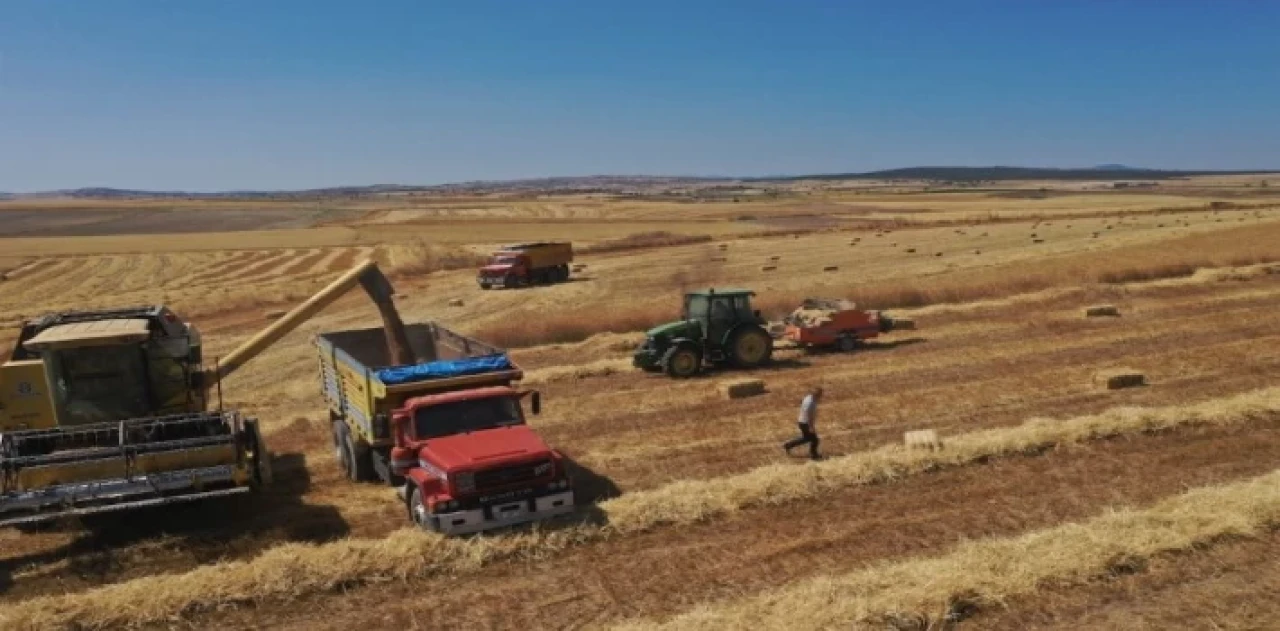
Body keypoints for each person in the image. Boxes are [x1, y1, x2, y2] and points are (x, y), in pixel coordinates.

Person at [784, 386, 823, 460]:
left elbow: (802, 403)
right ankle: (814, 455)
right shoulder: (810, 403)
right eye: (820, 394)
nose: (821, 396)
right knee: (815, 440)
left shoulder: (808, 397)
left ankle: (788, 445)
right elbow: (809, 416)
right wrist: (811, 427)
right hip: (805, 423)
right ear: (816, 394)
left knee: (806, 438)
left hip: (802, 422)